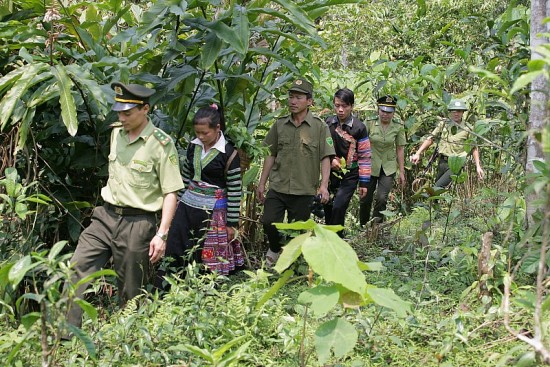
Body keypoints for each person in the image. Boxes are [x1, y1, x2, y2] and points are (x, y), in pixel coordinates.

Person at [66, 82, 184, 329]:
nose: (122, 117)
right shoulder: (116, 133)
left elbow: (171, 191)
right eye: (119, 112)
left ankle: (127, 339)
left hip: (138, 222)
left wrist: (161, 235)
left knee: (130, 289)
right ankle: (64, 335)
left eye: (127, 113)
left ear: (145, 109)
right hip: (105, 217)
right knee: (77, 269)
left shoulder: (160, 143)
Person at [155, 105, 244, 288]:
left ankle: (204, 291)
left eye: (205, 133)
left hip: (214, 213)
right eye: (197, 133)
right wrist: (177, 205)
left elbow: (235, 190)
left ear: (217, 128)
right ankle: (169, 286)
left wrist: (232, 224)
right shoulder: (193, 147)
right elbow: (186, 177)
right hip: (187, 206)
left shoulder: (229, 154)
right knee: (177, 243)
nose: (201, 137)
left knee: (206, 251)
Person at [257, 78, 335, 266]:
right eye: (291, 97)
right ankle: (275, 249)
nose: (293, 101)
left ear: (309, 101)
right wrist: (261, 183)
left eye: (298, 97)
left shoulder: (320, 127)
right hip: (278, 185)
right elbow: (270, 154)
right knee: (268, 221)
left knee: (297, 230)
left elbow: (326, 157)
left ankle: (292, 262)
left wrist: (324, 185)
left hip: (304, 189)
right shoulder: (279, 125)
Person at [324, 88, 371, 236]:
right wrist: (331, 160)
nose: (340, 110)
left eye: (344, 106)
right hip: (330, 172)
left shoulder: (359, 128)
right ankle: (330, 238)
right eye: (337, 105)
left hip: (350, 174)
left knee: (339, 206)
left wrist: (364, 183)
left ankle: (336, 238)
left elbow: (365, 156)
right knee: (328, 206)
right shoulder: (328, 123)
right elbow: (323, 146)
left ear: (351, 106)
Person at [410, 98, 484, 188]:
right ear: (450, 112)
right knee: (437, 192)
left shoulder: (468, 128)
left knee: (436, 188)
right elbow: (431, 138)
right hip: (442, 161)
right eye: (453, 111)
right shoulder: (444, 124)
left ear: (463, 112)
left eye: (459, 111)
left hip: (456, 163)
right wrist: (418, 153)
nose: (456, 113)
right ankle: (436, 202)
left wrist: (478, 166)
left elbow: (474, 147)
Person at [359, 95, 406, 225]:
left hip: (388, 166)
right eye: (383, 111)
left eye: (389, 112)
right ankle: (363, 226)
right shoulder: (369, 122)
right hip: (369, 165)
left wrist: (401, 171)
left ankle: (377, 227)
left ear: (393, 113)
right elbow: (360, 143)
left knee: (381, 198)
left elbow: (400, 148)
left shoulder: (398, 126)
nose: (385, 114)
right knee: (365, 198)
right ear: (378, 110)